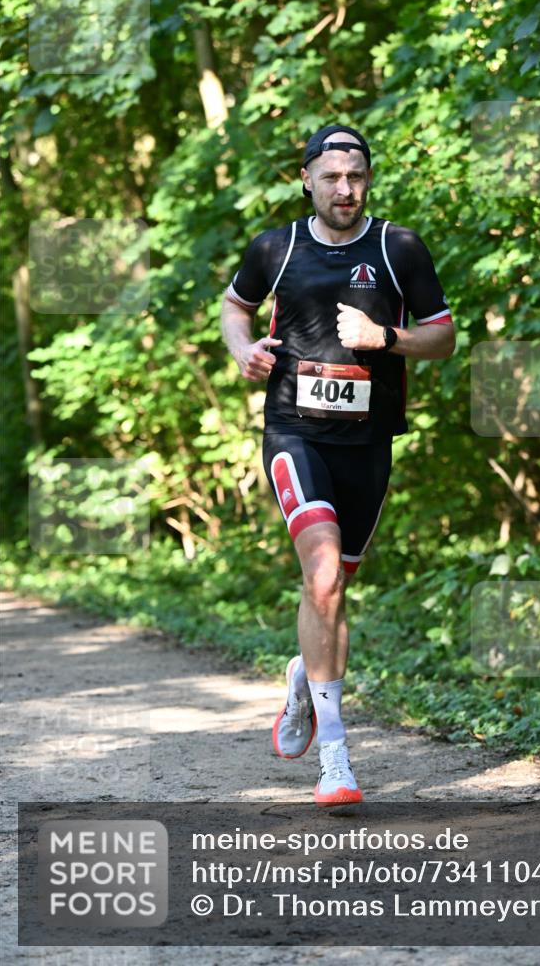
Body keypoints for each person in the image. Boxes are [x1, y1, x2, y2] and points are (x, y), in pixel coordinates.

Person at [221, 124, 455, 807]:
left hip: (368, 444)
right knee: (320, 574)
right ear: (307, 179)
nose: (344, 190)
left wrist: (386, 337)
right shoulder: (276, 246)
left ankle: (303, 675)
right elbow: (235, 306)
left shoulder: (398, 248)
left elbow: (441, 336)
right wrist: (243, 352)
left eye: (354, 177)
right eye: (331, 178)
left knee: (332, 593)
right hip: (292, 432)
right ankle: (336, 758)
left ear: (367, 179)